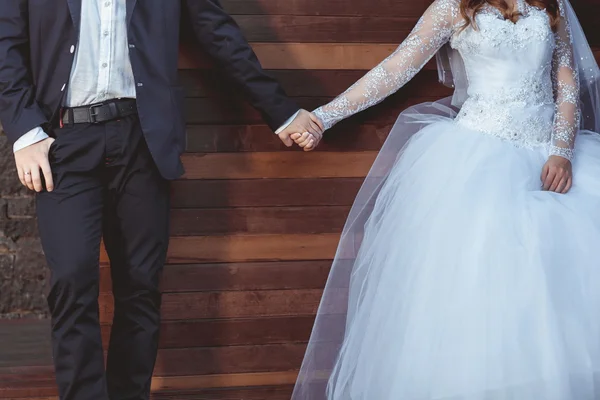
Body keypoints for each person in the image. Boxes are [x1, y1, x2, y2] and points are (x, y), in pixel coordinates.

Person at [0, 1, 321, 399]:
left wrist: (283, 112)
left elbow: (217, 34)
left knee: (140, 286)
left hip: (142, 139)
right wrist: (25, 133)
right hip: (63, 140)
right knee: (71, 278)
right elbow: (5, 45)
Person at [291, 0, 600, 398]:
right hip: (478, 160)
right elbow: (396, 68)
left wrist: (562, 151)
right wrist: (322, 117)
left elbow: (568, 83)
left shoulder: (549, 4)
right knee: (480, 289)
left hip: (549, 156)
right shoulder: (453, 6)